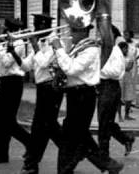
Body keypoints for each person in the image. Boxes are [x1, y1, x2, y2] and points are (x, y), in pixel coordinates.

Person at [51, 24, 124, 174]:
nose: (71, 33)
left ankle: (68, 168)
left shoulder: (91, 49)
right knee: (78, 135)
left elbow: (72, 68)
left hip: (83, 95)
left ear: (84, 31)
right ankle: (106, 164)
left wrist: (58, 48)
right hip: (75, 94)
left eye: (74, 30)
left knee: (73, 135)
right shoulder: (78, 47)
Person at [9, 14, 64, 174]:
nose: (33, 29)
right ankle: (72, 152)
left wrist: (34, 45)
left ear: (43, 26)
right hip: (42, 90)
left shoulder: (55, 42)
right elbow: (27, 67)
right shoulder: (39, 43)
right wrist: (13, 53)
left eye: (36, 26)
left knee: (40, 128)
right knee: (48, 127)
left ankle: (32, 163)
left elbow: (44, 63)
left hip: (52, 89)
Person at [0, 17, 31, 164]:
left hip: (14, 83)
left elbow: (6, 62)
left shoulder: (18, 43)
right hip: (5, 82)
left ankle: (30, 142)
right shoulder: (5, 43)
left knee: (7, 121)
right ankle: (1, 155)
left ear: (9, 29)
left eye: (4, 28)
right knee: (1, 119)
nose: (2, 30)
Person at [97, 34, 135, 159]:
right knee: (106, 122)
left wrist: (98, 69)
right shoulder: (100, 49)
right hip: (101, 86)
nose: (99, 37)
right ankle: (126, 139)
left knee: (104, 123)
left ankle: (103, 155)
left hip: (110, 87)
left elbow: (117, 72)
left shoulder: (115, 51)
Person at [123, 30, 139, 120]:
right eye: (124, 35)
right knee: (125, 85)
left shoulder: (135, 43)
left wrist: (137, 58)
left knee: (132, 84)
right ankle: (126, 104)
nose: (125, 36)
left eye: (127, 35)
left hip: (133, 66)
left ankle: (129, 103)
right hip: (125, 65)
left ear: (131, 35)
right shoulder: (122, 44)